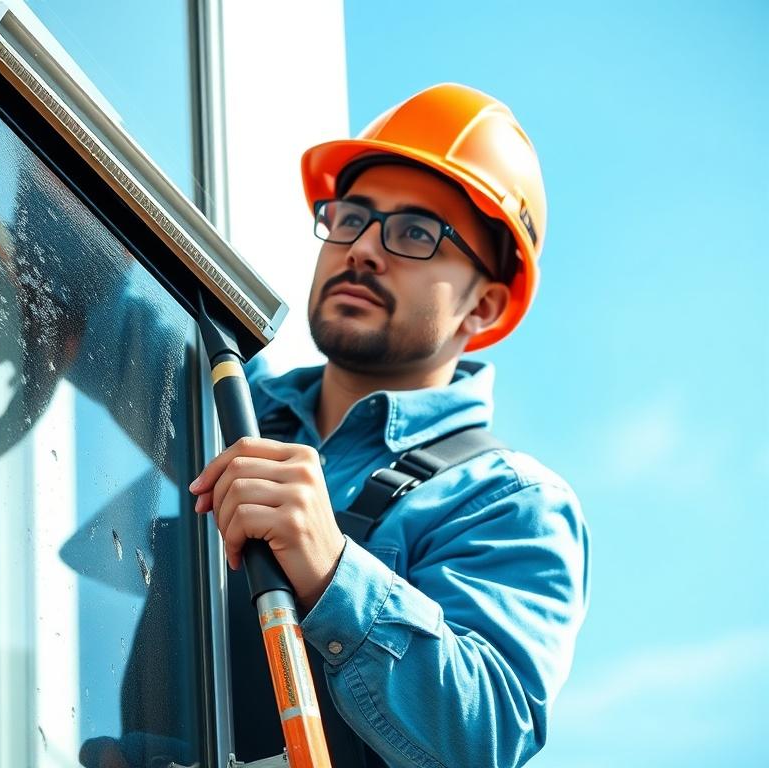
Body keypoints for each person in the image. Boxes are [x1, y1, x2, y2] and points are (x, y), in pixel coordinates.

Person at [188, 83, 590, 767]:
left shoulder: (509, 502)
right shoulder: (219, 399)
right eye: (351, 219)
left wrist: (332, 572)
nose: (364, 250)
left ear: (484, 307)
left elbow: (485, 737)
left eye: (414, 234)